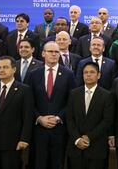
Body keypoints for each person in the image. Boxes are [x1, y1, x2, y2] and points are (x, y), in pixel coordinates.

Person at [24, 41, 76, 169]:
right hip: (38, 130)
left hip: (59, 129)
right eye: (50, 51)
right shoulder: (33, 74)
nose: (54, 54)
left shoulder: (68, 74)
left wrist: (58, 118)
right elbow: (28, 102)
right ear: (43, 53)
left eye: (56, 52)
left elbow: (72, 101)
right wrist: (39, 118)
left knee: (57, 163)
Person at [66, 62, 114, 169]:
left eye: (92, 72)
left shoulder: (107, 95)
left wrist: (89, 137)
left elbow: (107, 120)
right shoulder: (74, 94)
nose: (88, 75)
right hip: (75, 147)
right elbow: (69, 119)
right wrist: (77, 139)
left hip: (96, 148)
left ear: (99, 75)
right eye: (85, 72)